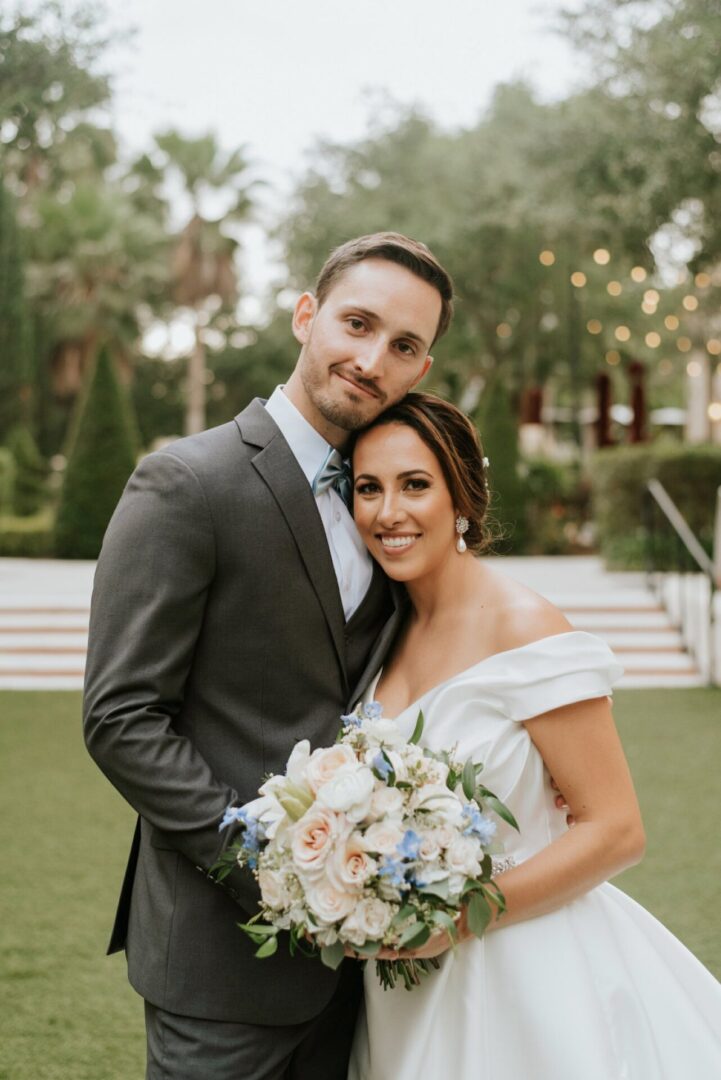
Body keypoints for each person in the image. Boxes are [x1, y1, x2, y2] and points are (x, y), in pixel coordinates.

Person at [82, 233, 454, 1080]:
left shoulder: (388, 501)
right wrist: (279, 873)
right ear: (305, 315)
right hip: (218, 958)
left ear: (421, 371)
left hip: (358, 976)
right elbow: (121, 718)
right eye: (356, 324)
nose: (371, 360)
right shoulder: (186, 481)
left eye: (402, 347)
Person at [347, 392, 721, 1080]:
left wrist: (453, 920)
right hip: (401, 987)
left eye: (415, 485)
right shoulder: (383, 631)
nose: (386, 512)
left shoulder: (524, 626)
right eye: (367, 488)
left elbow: (615, 829)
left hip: (525, 969)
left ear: (461, 498)